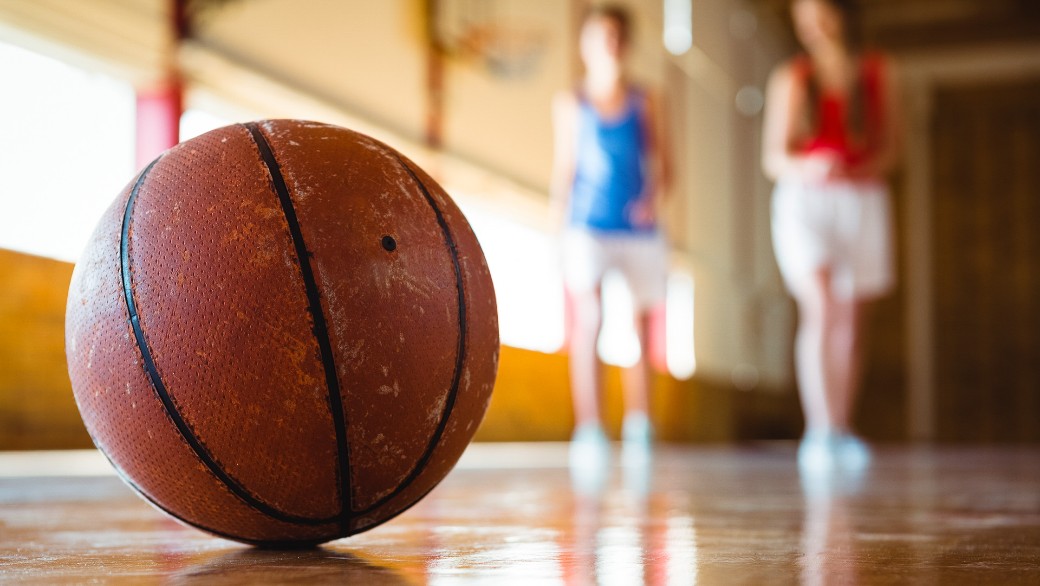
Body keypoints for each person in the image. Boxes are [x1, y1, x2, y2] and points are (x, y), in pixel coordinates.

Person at [761, 0, 901, 471]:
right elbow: (774, 158)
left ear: (843, 14)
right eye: (804, 17)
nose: (813, 25)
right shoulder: (792, 77)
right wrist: (813, 166)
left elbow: (892, 150)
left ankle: (841, 427)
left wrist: (856, 168)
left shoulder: (880, 71)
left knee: (850, 321)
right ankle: (818, 431)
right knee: (819, 306)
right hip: (805, 198)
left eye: (821, 12)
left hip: (861, 199)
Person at [549, 4, 671, 470]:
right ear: (586, 46)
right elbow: (566, 170)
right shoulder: (571, 103)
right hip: (587, 226)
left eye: (617, 37)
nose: (609, 45)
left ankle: (640, 423)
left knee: (640, 327)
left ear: (627, 43)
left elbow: (666, 165)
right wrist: (557, 226)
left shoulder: (648, 99)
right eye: (601, 37)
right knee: (589, 321)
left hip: (637, 228)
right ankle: (591, 428)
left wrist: (653, 201)